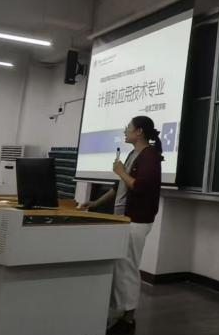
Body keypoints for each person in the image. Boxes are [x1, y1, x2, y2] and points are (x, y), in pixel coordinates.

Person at [79, 116, 163, 335]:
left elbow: (140, 186)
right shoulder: (133, 154)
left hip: (137, 220)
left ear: (140, 131)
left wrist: (120, 172)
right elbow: (120, 188)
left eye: (129, 128)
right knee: (120, 267)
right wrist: (95, 203)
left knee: (128, 268)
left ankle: (128, 318)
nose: (125, 131)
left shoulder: (149, 156)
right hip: (124, 219)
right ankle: (119, 313)